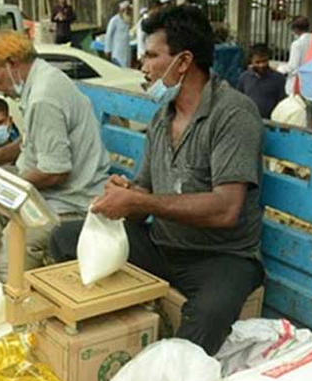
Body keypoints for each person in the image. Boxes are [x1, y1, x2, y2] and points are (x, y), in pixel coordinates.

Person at [50, 6, 264, 356]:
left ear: (182, 62)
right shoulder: (163, 117)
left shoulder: (233, 113)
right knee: (63, 238)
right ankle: (113, 343)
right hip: (163, 245)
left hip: (221, 258)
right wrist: (125, 195)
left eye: (151, 55)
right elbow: (144, 193)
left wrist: (139, 202)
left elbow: (226, 209)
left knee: (201, 324)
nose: (142, 66)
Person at [0, 30, 109, 281]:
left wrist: (8, 187)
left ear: (12, 63)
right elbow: (34, 140)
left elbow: (56, 171)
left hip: (71, 201)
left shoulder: (43, 96)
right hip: (48, 191)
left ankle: (7, 292)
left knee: (11, 252)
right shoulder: (38, 82)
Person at [237, 44, 286, 119]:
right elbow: (239, 100)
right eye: (257, 62)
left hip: (271, 124)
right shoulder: (244, 77)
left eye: (264, 61)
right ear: (251, 61)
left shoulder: (279, 79)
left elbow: (282, 104)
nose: (261, 65)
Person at [281, 16, 312, 96]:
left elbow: (292, 66)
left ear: (296, 29)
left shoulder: (297, 44)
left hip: (297, 83)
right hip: (311, 82)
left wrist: (279, 68)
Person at [105, 1, 132, 68]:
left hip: (126, 50)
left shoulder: (127, 20)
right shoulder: (114, 20)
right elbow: (108, 35)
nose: (127, 11)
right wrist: (108, 50)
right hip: (117, 52)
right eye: (126, 9)